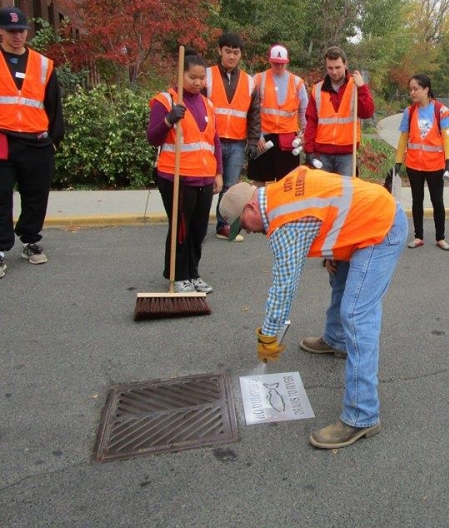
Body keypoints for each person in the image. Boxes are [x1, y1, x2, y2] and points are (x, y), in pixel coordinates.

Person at [218, 167, 407, 449]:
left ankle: (362, 415)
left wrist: (269, 336)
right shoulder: (279, 190)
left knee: (356, 314)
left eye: (241, 224)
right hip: (365, 218)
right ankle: (337, 340)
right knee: (338, 278)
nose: (245, 230)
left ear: (250, 206)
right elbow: (327, 203)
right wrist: (333, 250)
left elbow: (284, 288)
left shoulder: (284, 223)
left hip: (381, 229)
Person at [147, 50, 222, 293]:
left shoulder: (208, 104)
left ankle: (193, 272)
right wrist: (168, 120)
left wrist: (218, 173)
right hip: (176, 176)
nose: (198, 82)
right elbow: (153, 138)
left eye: (202, 78)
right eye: (192, 77)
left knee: (199, 229)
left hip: (204, 176)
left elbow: (215, 142)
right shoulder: (165, 101)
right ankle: (178, 275)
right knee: (181, 228)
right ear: (180, 75)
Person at [0, 7, 64, 279]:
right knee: (1, 195)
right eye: (12, 31)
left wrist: (54, 141)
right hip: (3, 139)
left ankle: (30, 240)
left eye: (21, 31)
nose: (17, 36)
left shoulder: (43, 64)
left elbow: (54, 106)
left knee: (36, 194)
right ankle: (1, 248)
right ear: (1, 32)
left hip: (37, 140)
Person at [204, 33, 260, 241]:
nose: (231, 56)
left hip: (237, 142)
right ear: (220, 51)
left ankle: (223, 225)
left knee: (229, 187)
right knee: (205, 185)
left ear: (240, 55)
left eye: (236, 53)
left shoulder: (249, 81)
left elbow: (254, 114)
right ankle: (198, 226)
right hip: (210, 141)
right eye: (227, 51)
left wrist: (253, 141)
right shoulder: (207, 76)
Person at [394, 74, 449, 250]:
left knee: (437, 200)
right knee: (417, 200)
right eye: (410, 89)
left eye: (415, 89)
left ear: (426, 89)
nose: (412, 92)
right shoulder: (409, 111)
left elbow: (447, 138)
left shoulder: (440, 110)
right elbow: (403, 138)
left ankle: (440, 237)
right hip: (414, 165)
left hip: (435, 165)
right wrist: (398, 161)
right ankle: (418, 236)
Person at [303, 46, 375, 176]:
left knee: (346, 195)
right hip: (322, 154)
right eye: (330, 68)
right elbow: (311, 122)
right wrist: (309, 150)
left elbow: (367, 113)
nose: (334, 72)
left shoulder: (356, 86)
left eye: (337, 67)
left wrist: (362, 88)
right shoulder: (317, 89)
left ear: (345, 64)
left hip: (347, 154)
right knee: (323, 194)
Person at [247, 44, 307, 186]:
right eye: (276, 63)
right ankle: (257, 208)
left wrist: (304, 134)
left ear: (287, 62)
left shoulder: (297, 82)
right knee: (259, 181)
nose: (279, 67)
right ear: (269, 61)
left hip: (287, 141)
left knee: (288, 183)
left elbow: (304, 111)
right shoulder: (258, 79)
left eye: (282, 64)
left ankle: (283, 208)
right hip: (264, 138)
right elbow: (250, 111)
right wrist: (257, 136)